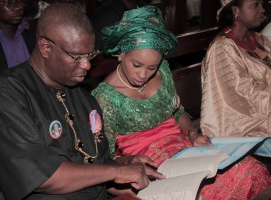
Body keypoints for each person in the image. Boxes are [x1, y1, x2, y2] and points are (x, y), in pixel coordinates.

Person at [0, 3, 164, 200]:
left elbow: (96, 166)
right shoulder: (4, 98)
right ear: (46, 48)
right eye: (77, 57)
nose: (87, 65)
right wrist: (117, 172)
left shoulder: (82, 97)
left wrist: (125, 163)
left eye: (90, 55)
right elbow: (43, 178)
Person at [92, 5, 271, 199]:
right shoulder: (105, 97)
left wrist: (192, 133)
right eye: (136, 65)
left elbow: (178, 112)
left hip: (185, 150)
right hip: (149, 166)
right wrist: (129, 161)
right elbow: (105, 159)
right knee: (219, 185)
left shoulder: (162, 71)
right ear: (122, 53)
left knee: (251, 169)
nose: (143, 74)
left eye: (151, 66)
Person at [200, 0, 271, 137]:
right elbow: (244, 96)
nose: (262, 10)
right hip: (246, 124)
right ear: (236, 11)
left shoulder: (258, 39)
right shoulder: (222, 48)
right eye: (255, 5)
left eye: (263, 4)